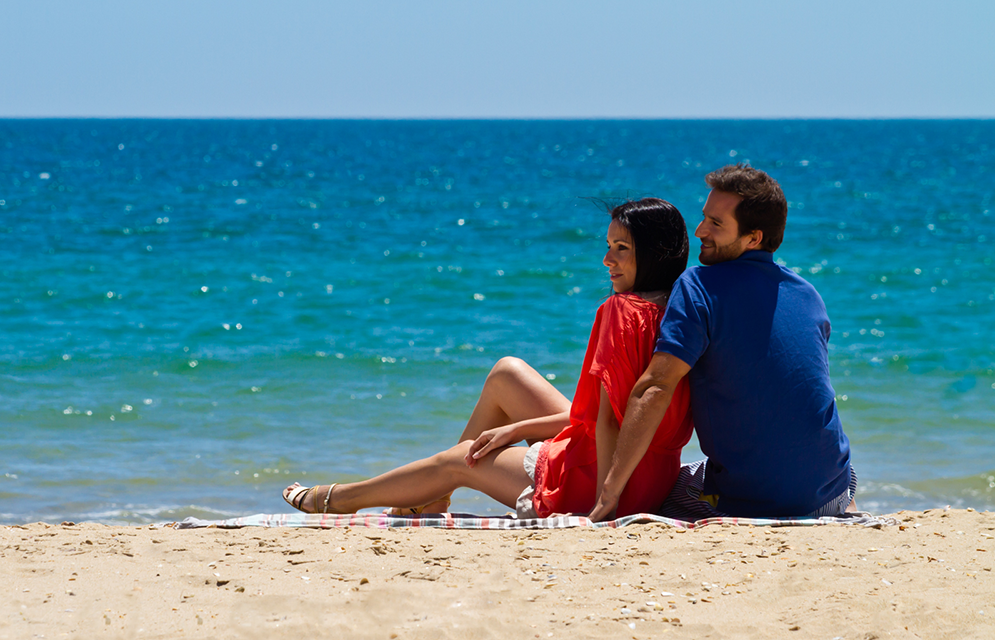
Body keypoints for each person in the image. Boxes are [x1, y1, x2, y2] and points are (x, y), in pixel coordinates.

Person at [282, 198, 693, 518]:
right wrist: (516, 430)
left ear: (655, 252)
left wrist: (607, 503)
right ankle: (432, 495)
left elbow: (606, 424)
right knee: (507, 374)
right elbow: (617, 416)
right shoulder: (684, 306)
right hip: (653, 477)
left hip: (606, 479)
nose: (607, 259)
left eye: (621, 248)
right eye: (608, 246)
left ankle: (341, 498)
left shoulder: (622, 311)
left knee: (459, 460)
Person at [588, 164, 854, 522]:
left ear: (753, 238)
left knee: (670, 489)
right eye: (704, 218)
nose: (700, 231)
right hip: (831, 492)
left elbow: (655, 387)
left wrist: (609, 494)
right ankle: (848, 504)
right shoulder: (808, 294)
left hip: (750, 505)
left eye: (716, 224)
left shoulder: (699, 287)